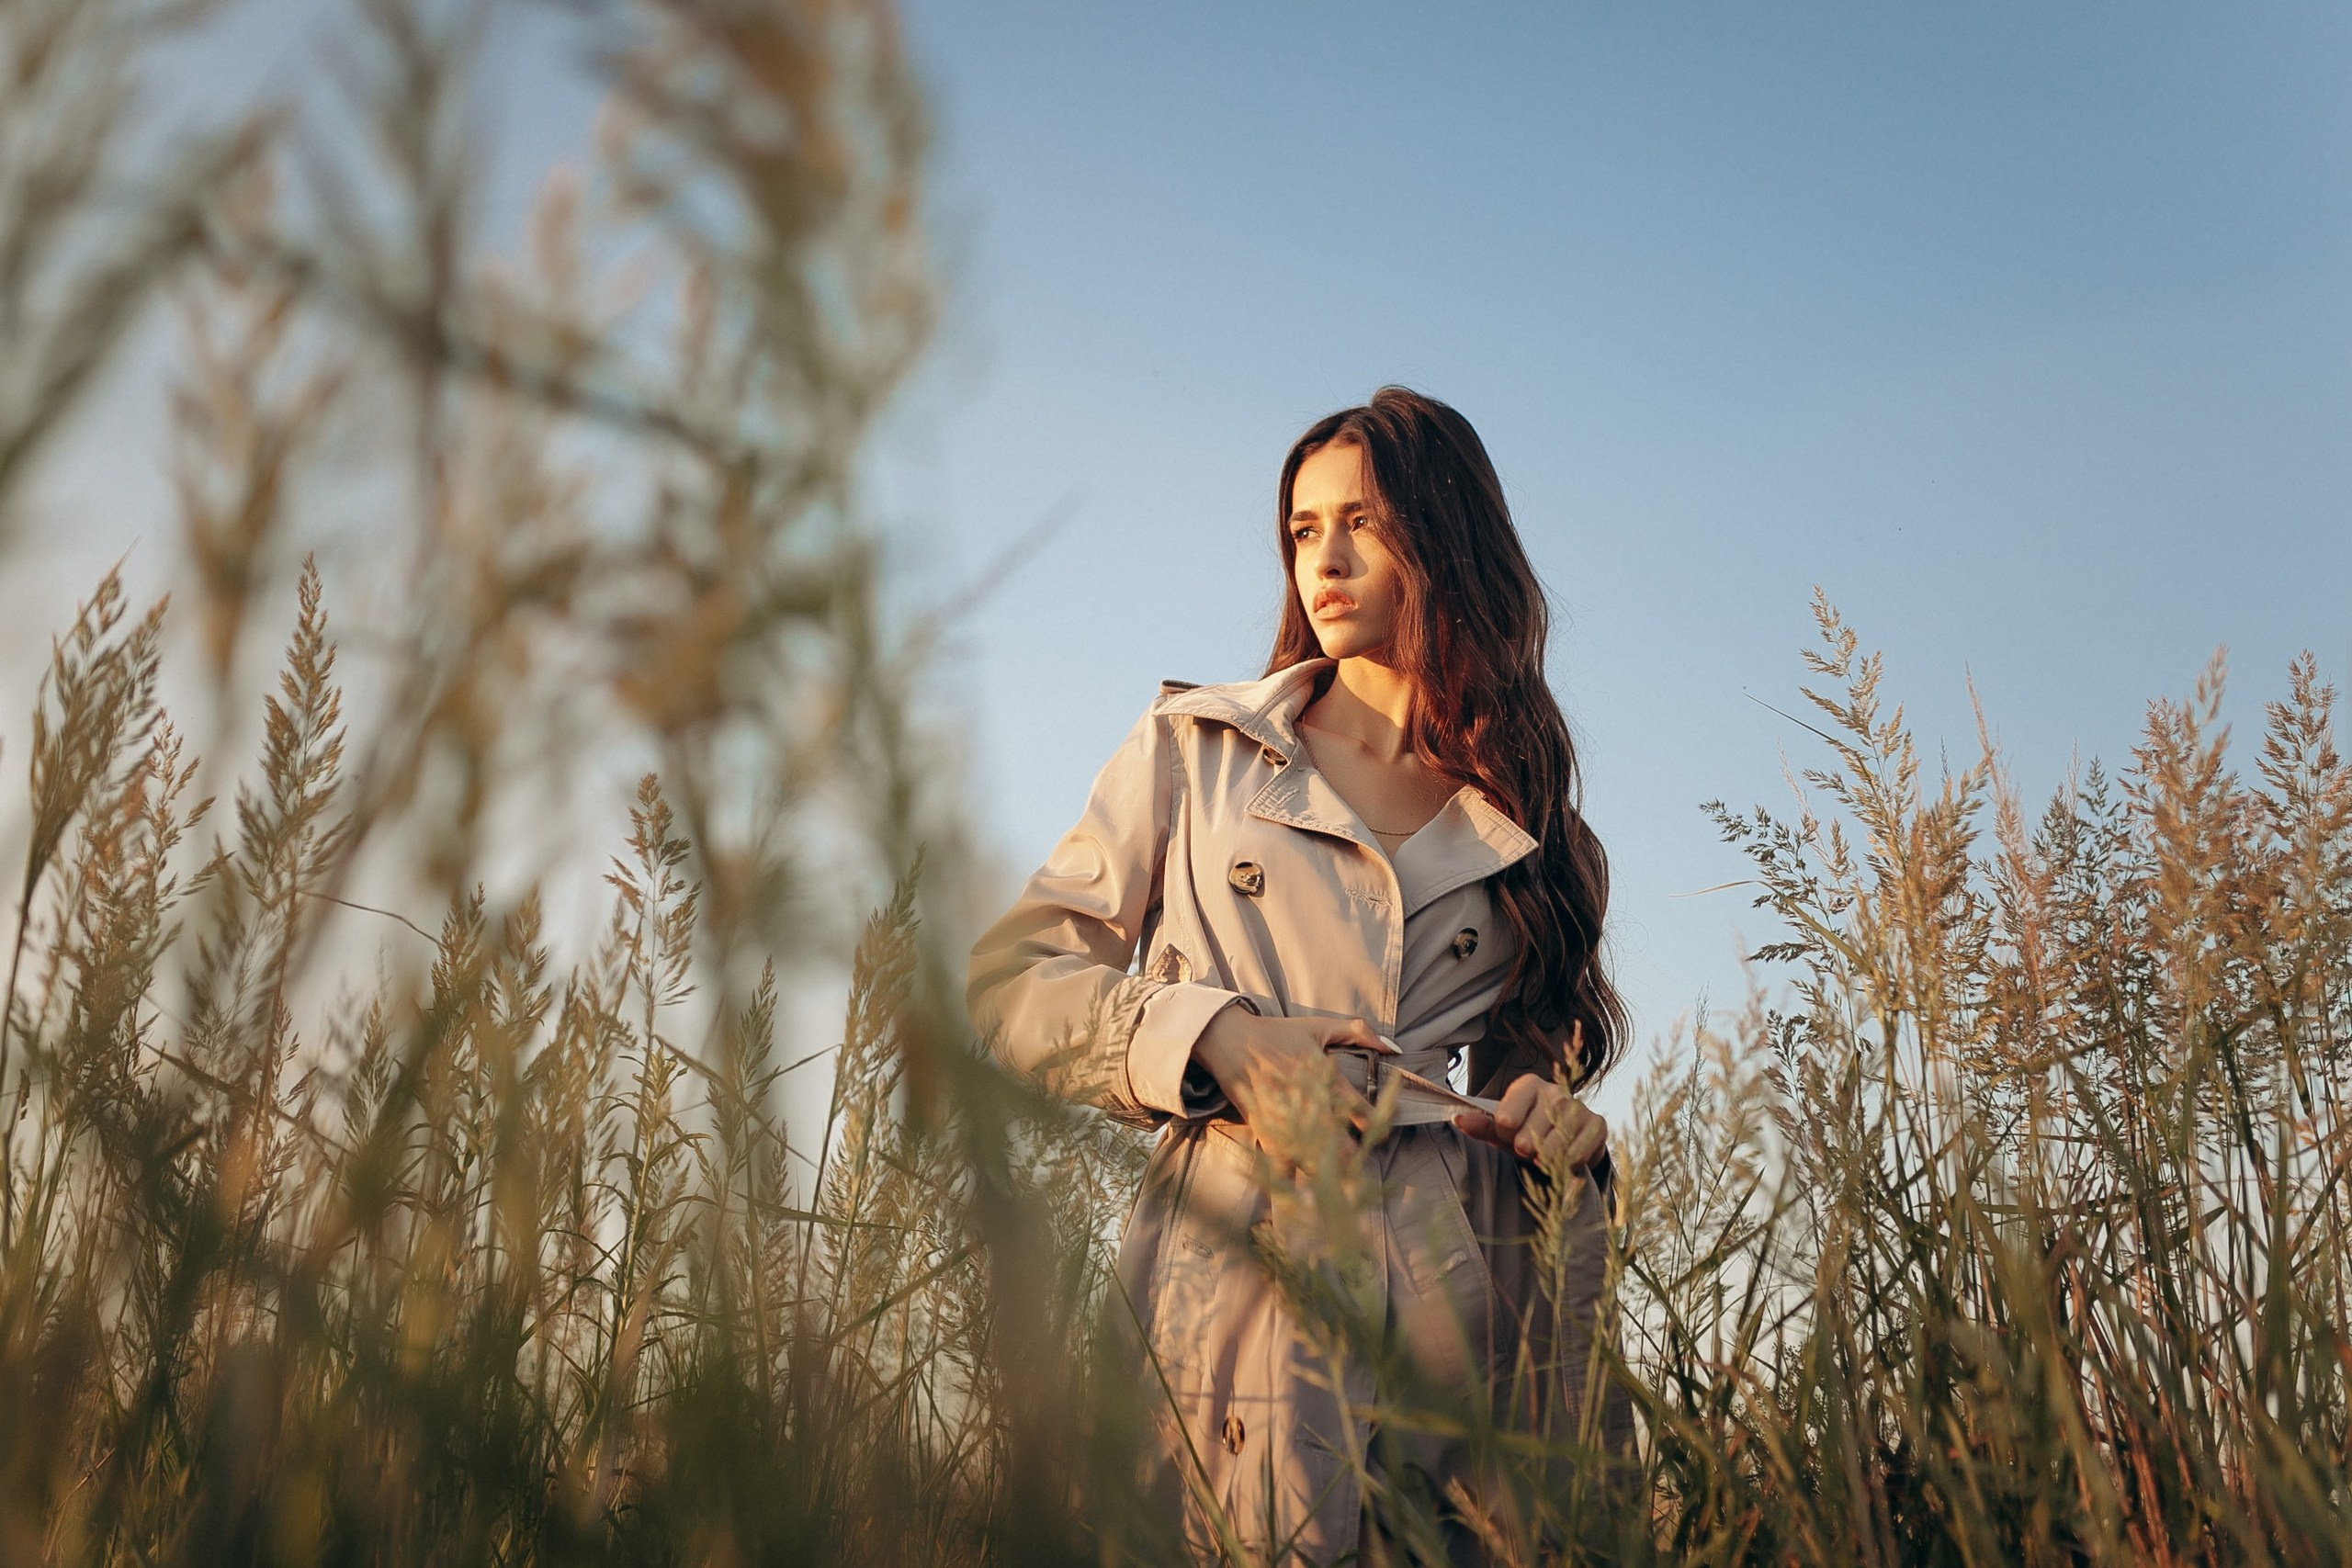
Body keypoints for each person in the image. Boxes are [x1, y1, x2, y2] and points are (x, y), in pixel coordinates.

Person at [967, 387, 1632, 1561]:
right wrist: (1215, 1041)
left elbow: (1535, 1067)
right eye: (1300, 529)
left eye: (1361, 523)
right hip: (1236, 1241)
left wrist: (1552, 1115)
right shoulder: (1199, 745)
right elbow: (1014, 985)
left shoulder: (1534, 827)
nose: (1321, 558)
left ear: (1444, 537)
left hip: (1456, 1278)